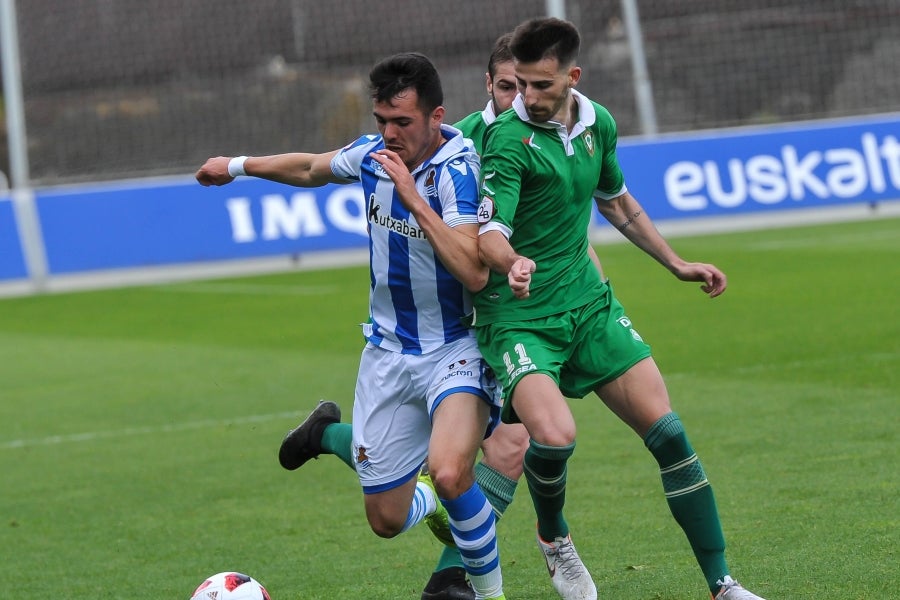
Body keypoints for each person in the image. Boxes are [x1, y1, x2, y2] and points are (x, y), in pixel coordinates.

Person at [473, 17, 768, 600]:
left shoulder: (598, 122)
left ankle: (724, 584)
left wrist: (676, 262)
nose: (527, 98)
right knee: (554, 439)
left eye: (540, 86)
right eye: (520, 86)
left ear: (572, 77)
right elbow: (489, 230)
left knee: (670, 434)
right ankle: (553, 535)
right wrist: (512, 262)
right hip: (521, 317)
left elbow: (617, 202)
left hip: (589, 305)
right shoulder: (507, 138)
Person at [195, 52, 506, 600]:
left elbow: (474, 271)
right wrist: (238, 165)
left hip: (454, 347)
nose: (389, 134)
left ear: (437, 116)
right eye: (381, 121)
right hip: (386, 353)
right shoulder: (372, 155)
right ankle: (338, 441)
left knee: (454, 473)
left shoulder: (459, 169)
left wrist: (412, 195)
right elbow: (312, 167)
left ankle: (488, 594)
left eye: (402, 122)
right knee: (386, 518)